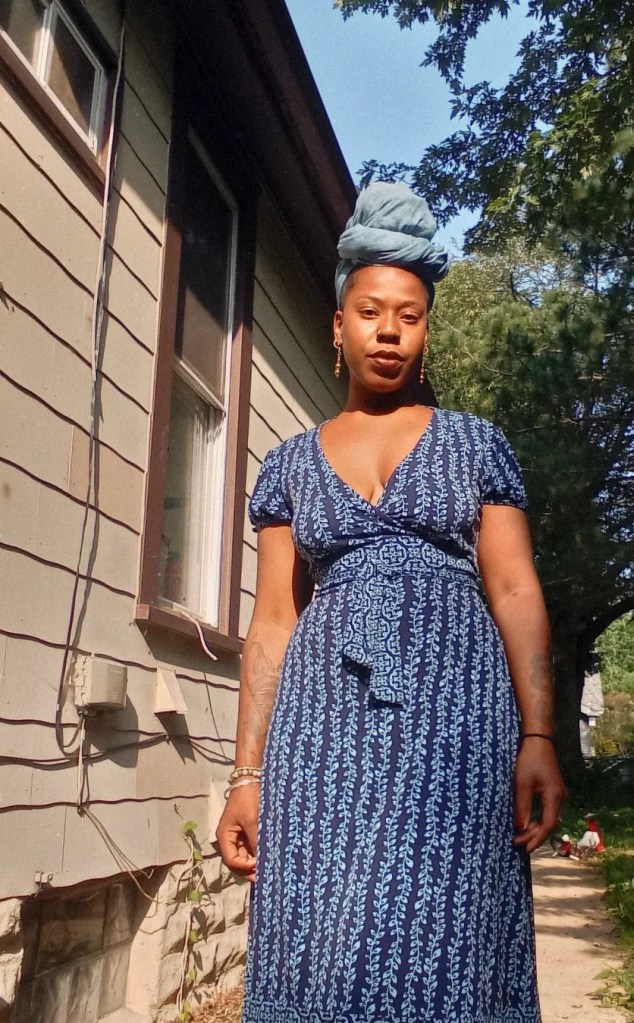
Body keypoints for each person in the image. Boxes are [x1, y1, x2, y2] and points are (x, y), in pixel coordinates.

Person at [216, 182, 567, 1022]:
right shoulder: (290, 465)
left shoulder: (476, 444)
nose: (388, 329)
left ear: (424, 330)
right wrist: (246, 774)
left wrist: (539, 733)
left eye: (408, 315)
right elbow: (270, 624)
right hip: (323, 732)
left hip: (455, 727)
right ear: (337, 326)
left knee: (448, 930)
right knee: (326, 938)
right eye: (370, 310)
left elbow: (515, 589)